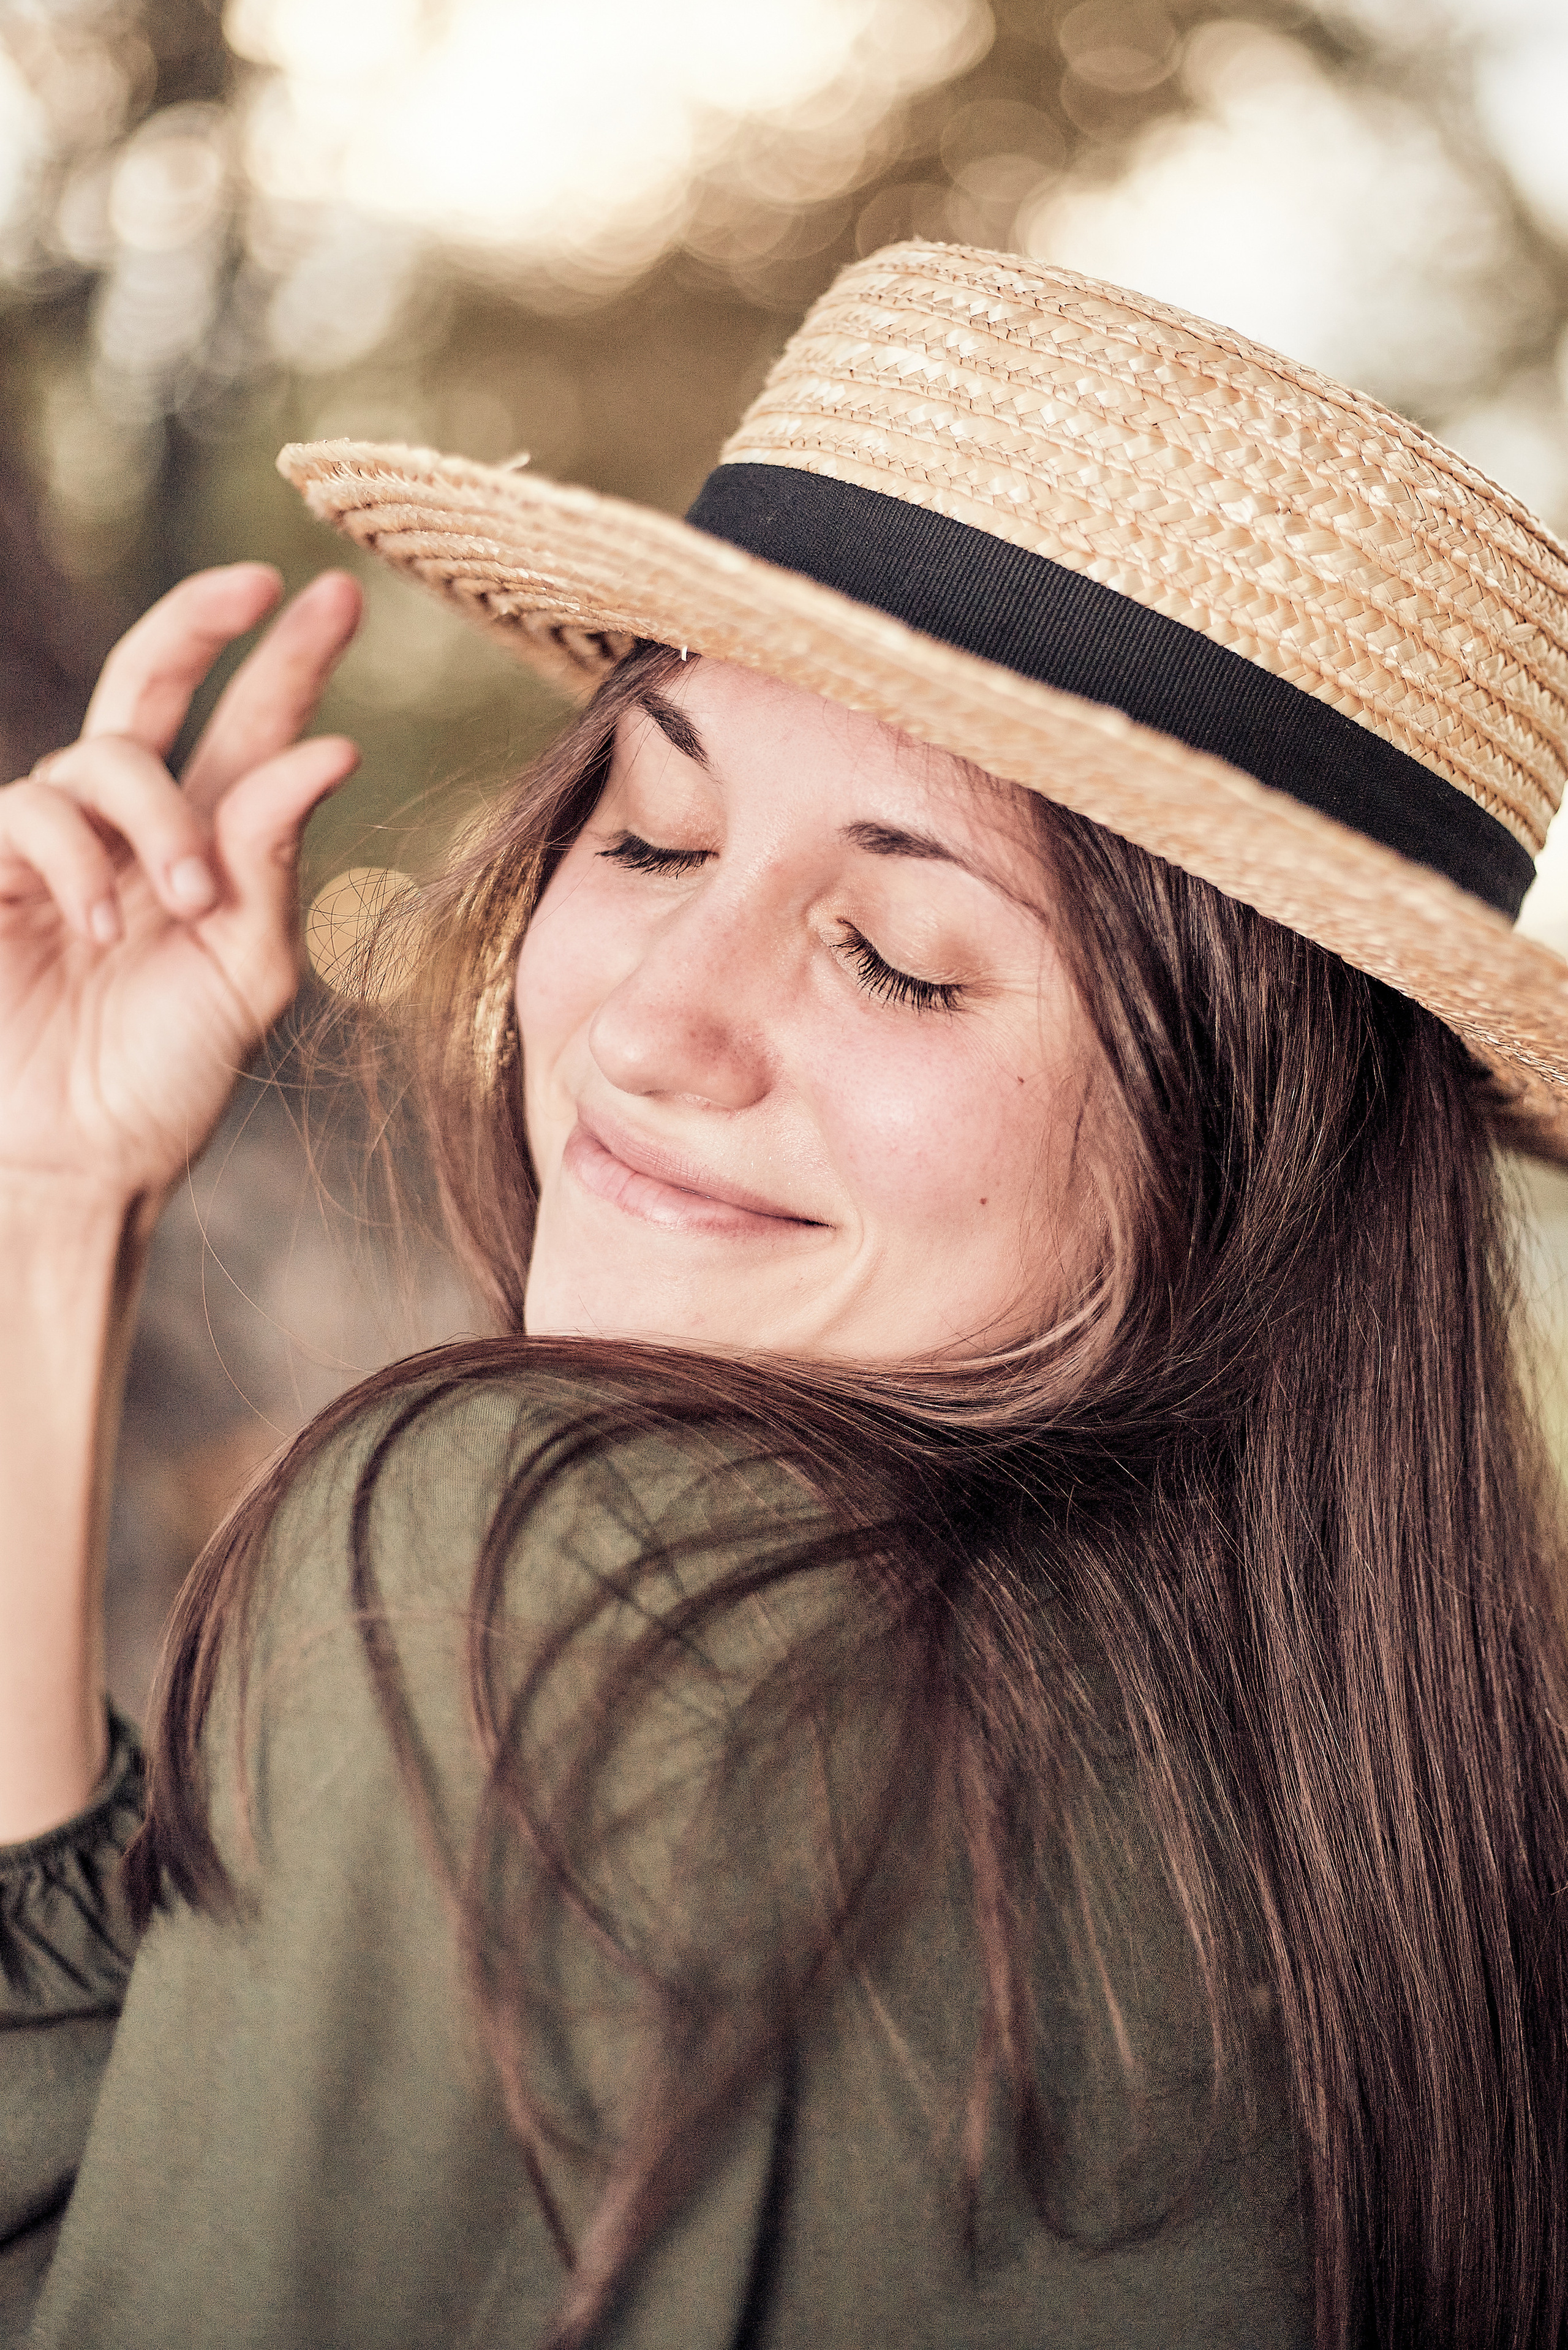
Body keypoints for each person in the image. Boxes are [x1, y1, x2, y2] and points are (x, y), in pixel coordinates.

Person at [3, 241, 1568, 2350]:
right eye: (652, 836)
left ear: (1249, 1150)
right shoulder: (1406, 1856)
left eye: (900, 956)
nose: (656, 1025)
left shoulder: (537, 1548)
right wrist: (53, 1204)